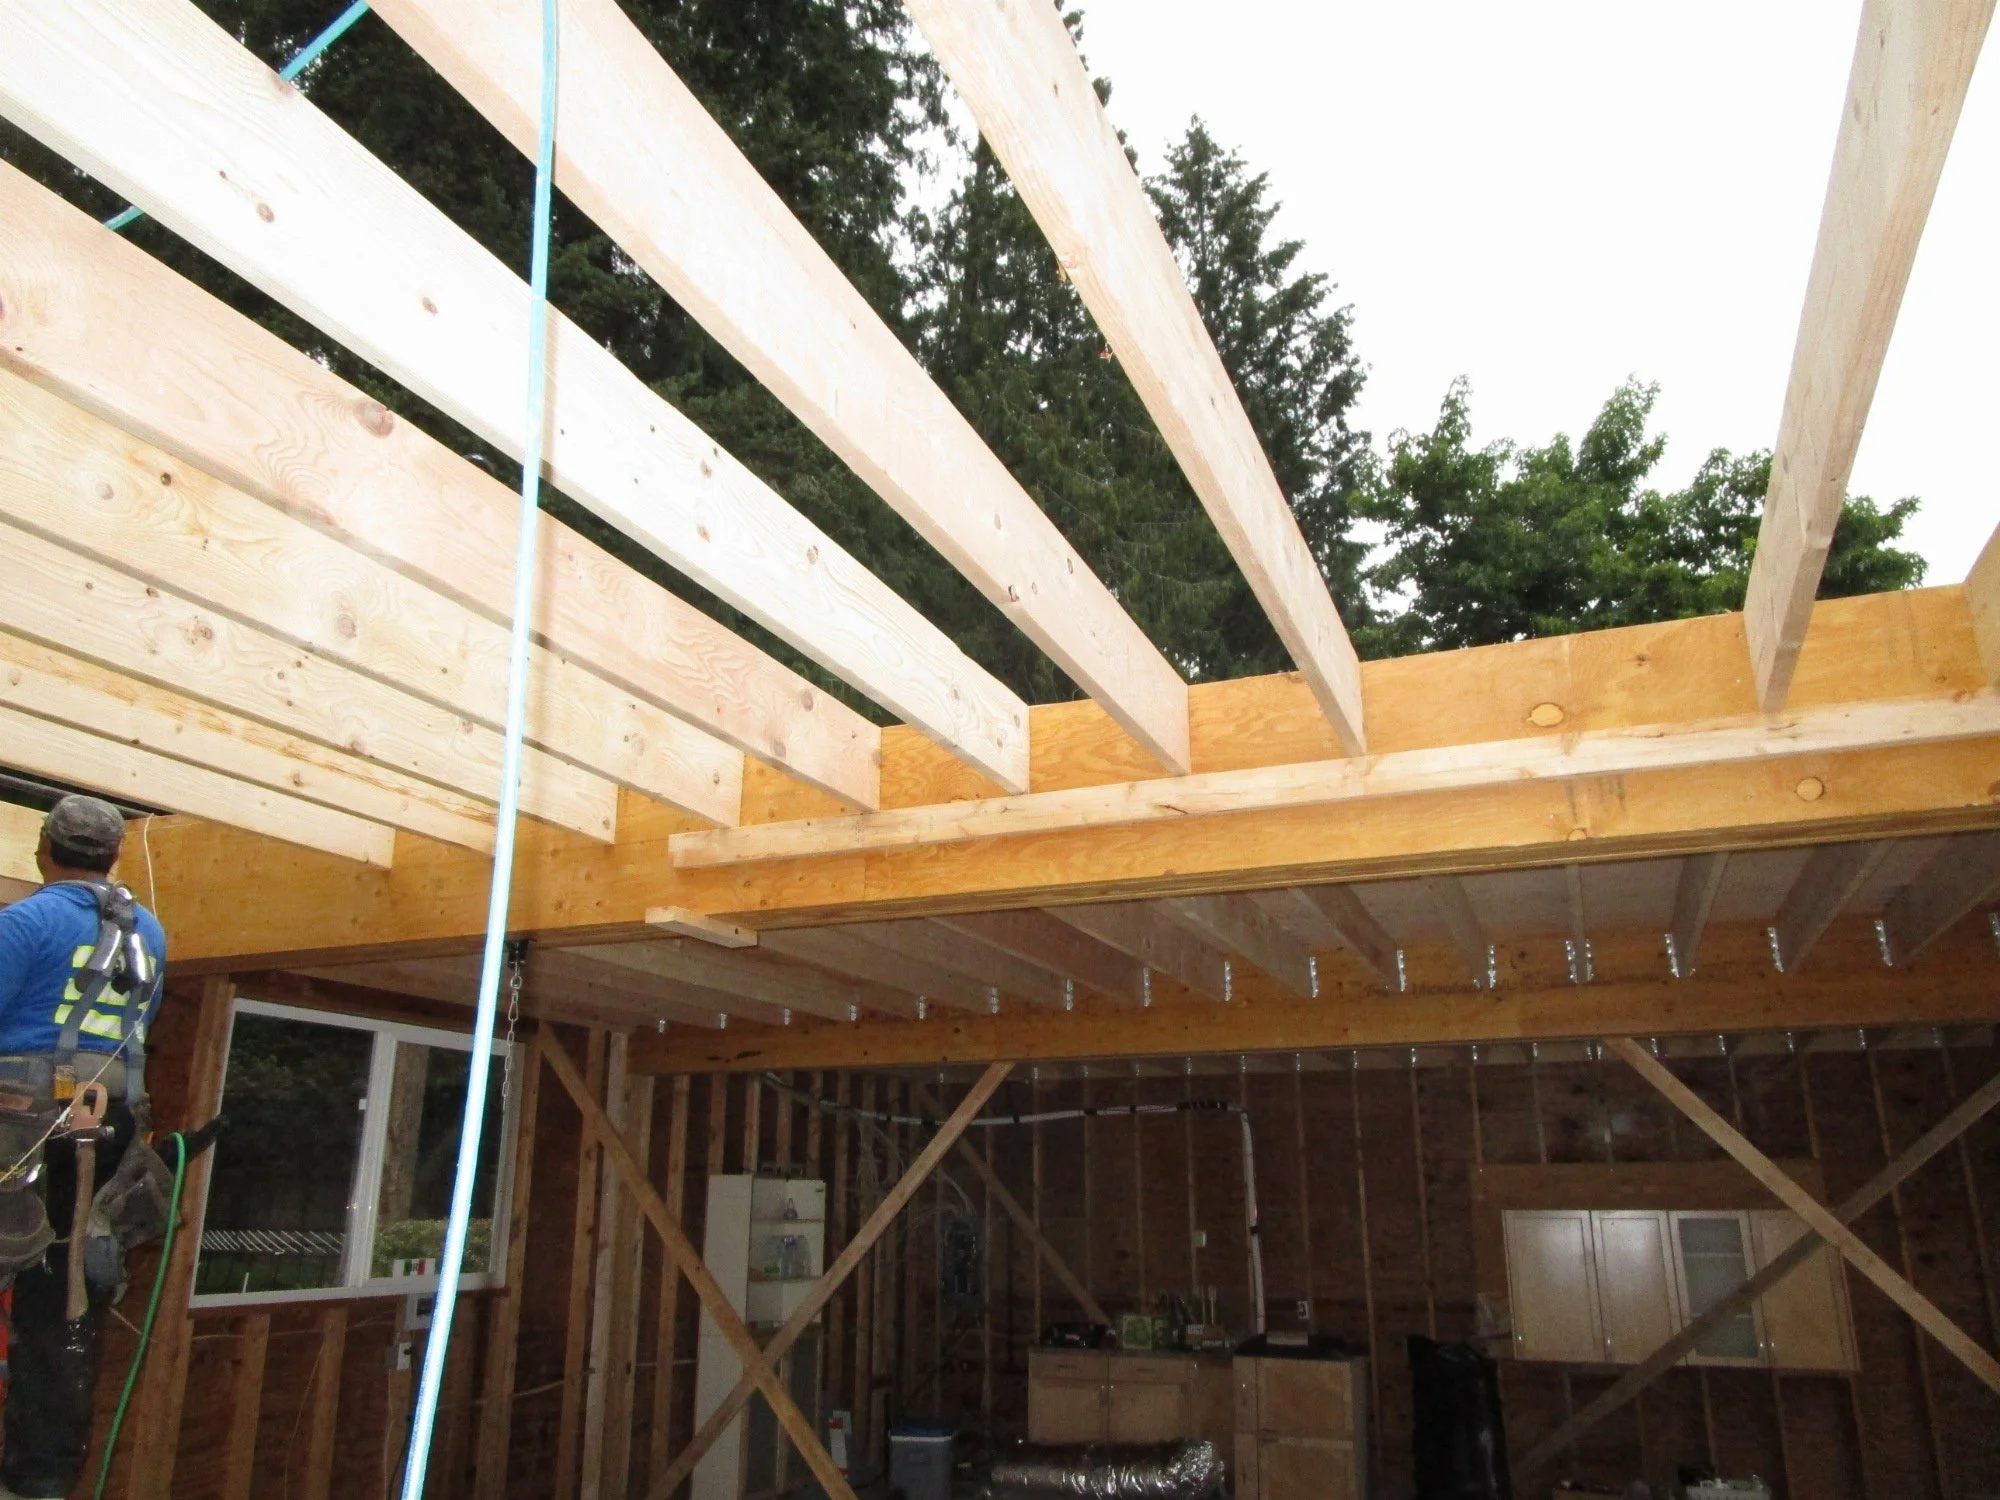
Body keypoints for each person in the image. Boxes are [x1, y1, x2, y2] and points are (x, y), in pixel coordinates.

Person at [0, 796, 168, 1500]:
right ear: (116, 857)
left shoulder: (24, 920)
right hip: (109, 1121)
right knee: (64, 1297)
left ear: (44, 851)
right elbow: (142, 1018)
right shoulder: (149, 931)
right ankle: (40, 1478)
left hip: (23, 1116)